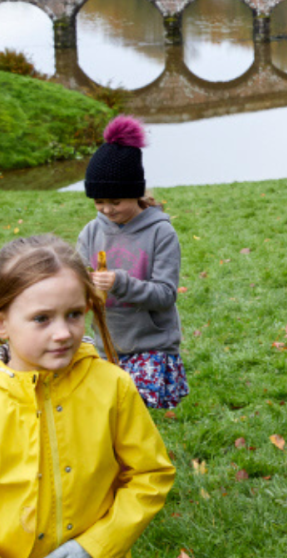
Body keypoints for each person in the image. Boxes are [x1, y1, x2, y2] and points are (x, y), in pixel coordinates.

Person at [0, 234, 175, 558]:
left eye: (73, 314)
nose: (63, 333)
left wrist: (94, 547)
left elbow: (150, 475)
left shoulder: (114, 386)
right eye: (42, 318)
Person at [78, 116, 188, 409]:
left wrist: (120, 283)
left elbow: (165, 295)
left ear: (136, 193)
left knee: (136, 415)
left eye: (115, 201)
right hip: (105, 345)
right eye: (99, 202)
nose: (107, 209)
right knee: (104, 417)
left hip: (152, 345)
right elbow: (74, 282)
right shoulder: (91, 232)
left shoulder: (160, 232)